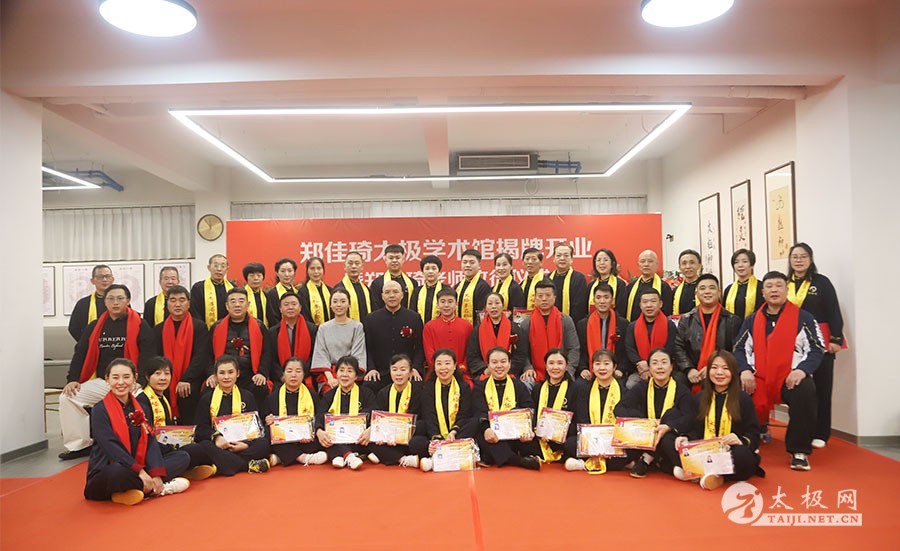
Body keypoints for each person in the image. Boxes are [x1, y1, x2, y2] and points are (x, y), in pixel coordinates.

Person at [734, 271, 825, 471]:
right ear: (763, 292)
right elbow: (739, 348)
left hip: (790, 377)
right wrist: (745, 370)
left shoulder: (804, 318)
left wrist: (802, 370)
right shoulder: (751, 320)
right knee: (738, 389)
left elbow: (817, 348)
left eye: (778, 285)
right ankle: (748, 439)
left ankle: (799, 450)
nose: (774, 290)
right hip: (758, 377)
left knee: (805, 390)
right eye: (769, 286)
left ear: (786, 289)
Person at [60, 284, 155, 460]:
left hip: (130, 382)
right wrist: (72, 379)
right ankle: (80, 445)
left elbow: (148, 354)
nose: (115, 302)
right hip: (104, 382)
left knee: (142, 400)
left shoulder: (140, 325)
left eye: (120, 298)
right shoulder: (95, 326)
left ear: (128, 300)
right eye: (111, 298)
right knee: (68, 397)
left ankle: (139, 444)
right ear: (105, 302)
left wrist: (140, 380)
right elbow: (80, 353)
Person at [83, 358, 190, 505]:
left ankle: (138, 489)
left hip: (138, 466)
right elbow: (111, 446)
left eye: (126, 377)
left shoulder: (141, 407)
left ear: (134, 379)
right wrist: (140, 471)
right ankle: (158, 488)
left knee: (182, 457)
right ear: (107, 379)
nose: (121, 382)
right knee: (117, 471)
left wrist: (156, 473)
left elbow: (150, 441)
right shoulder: (99, 410)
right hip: (110, 469)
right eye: (115, 377)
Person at [674, 350, 763, 490]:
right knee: (673, 441)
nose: (719, 373)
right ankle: (710, 474)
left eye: (725, 368)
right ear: (708, 371)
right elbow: (695, 429)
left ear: (733, 372)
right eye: (714, 368)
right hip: (706, 450)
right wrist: (686, 437)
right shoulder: (700, 398)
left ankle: (701, 473)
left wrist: (740, 440)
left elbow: (754, 433)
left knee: (742, 456)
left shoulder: (743, 399)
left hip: (730, 451)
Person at [787, 243, 844, 449]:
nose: (799, 260)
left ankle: (821, 432)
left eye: (803, 256)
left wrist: (835, 339)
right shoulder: (785, 284)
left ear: (811, 259)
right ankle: (804, 431)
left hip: (820, 342)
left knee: (822, 388)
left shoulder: (821, 283)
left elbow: (833, 311)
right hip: (793, 344)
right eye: (795, 256)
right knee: (800, 389)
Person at [182, 355, 271, 476]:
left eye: (230, 372)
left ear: (237, 374)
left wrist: (245, 445)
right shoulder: (207, 398)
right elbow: (200, 429)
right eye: (222, 373)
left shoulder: (247, 396)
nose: (226, 377)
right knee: (200, 448)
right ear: (216, 375)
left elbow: (255, 428)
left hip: (241, 444)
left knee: (264, 444)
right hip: (218, 445)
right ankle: (246, 465)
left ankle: (220, 466)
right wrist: (217, 437)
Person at [614, 348, 696, 478]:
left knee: (671, 416)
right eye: (655, 363)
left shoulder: (682, 390)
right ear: (649, 368)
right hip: (644, 436)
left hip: (667, 436)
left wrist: (668, 426)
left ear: (671, 367)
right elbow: (619, 408)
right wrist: (642, 422)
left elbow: (689, 417)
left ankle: (646, 459)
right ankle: (660, 460)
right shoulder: (641, 387)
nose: (660, 367)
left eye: (664, 362)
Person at [136, 356, 214, 481]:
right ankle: (155, 479)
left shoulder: (163, 398)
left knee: (198, 448)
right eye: (157, 374)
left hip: (165, 447)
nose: (163, 378)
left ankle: (180, 472)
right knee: (183, 457)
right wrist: (173, 447)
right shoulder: (142, 401)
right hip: (151, 452)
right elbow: (145, 437)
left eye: (167, 374)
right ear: (147, 376)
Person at [472, 347, 541, 470]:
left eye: (503, 362)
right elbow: (479, 411)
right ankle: (519, 461)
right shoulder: (480, 387)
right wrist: (486, 429)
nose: (499, 366)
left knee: (530, 440)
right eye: (494, 362)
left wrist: (525, 429)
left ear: (509, 363)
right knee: (479, 434)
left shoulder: (519, 386)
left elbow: (529, 409)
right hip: (491, 435)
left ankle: (492, 457)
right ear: (488, 365)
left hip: (514, 434)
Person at [564, 349, 630, 473]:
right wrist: (597, 443)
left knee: (630, 450)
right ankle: (610, 463)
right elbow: (582, 419)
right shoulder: (584, 389)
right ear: (592, 367)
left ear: (614, 367)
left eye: (606, 363)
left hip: (613, 439)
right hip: (591, 438)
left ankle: (584, 464)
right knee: (569, 443)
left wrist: (608, 442)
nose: (602, 368)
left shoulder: (623, 390)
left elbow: (624, 421)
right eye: (597, 364)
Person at [673, 274, 742, 391]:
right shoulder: (686, 319)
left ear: (719, 293)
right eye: (702, 288)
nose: (707, 292)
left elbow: (735, 349)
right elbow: (678, 347)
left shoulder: (732, 320)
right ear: (696, 293)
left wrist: (713, 368)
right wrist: (689, 369)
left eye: (712, 288)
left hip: (721, 370)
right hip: (692, 371)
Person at [206, 287, 273, 406]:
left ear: (248, 304)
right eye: (233, 301)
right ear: (227, 306)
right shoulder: (217, 327)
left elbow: (267, 353)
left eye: (241, 301)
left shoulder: (259, 326)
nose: (237, 305)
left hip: (250, 375)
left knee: (261, 388)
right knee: (208, 390)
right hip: (224, 375)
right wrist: (212, 374)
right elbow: (208, 354)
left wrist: (261, 373)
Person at [156, 285, 210, 424]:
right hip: (166, 379)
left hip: (191, 379)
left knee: (187, 392)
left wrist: (186, 378)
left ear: (189, 303)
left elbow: (201, 357)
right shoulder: (159, 329)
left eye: (182, 300)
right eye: (173, 300)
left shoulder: (199, 327)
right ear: (167, 303)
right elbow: (157, 359)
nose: (177, 304)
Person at [263, 357, 327, 467]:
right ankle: (302, 457)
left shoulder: (312, 395)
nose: (293, 375)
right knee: (269, 432)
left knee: (322, 434)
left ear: (303, 374)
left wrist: (311, 431)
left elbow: (319, 418)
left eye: (298, 371)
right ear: (283, 374)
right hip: (285, 439)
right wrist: (268, 420)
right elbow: (265, 419)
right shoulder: (273, 397)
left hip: (306, 440)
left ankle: (283, 457)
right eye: (289, 371)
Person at [419, 349, 477, 472]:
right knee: (416, 438)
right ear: (434, 367)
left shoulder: (463, 387)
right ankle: (453, 453)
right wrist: (436, 439)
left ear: (455, 366)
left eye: (447, 363)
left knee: (474, 422)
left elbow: (464, 414)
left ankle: (438, 458)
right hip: (436, 433)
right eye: (439, 364)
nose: (443, 368)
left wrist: (454, 432)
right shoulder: (428, 388)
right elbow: (429, 416)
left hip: (457, 434)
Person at [316, 356, 376, 470]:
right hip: (335, 440)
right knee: (321, 438)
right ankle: (349, 456)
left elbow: (374, 414)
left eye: (349, 371)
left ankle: (339, 455)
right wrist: (319, 432)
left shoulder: (366, 393)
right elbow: (319, 415)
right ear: (336, 374)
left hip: (360, 440)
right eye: (341, 370)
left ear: (356, 376)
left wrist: (370, 429)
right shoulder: (329, 395)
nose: (344, 375)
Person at [368, 354, 429, 467]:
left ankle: (387, 456)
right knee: (371, 440)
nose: (398, 373)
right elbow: (378, 419)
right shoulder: (383, 393)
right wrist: (383, 434)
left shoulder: (419, 392)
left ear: (410, 373)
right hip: (388, 439)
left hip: (409, 436)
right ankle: (403, 459)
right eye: (394, 369)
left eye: (403, 369)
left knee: (418, 442)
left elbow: (423, 422)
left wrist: (399, 433)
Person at [363, 280, 425, 390]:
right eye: (387, 292)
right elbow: (367, 348)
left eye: (395, 292)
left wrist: (415, 368)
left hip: (406, 372)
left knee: (417, 384)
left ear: (402, 295)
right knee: (369, 384)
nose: (391, 295)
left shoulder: (414, 318)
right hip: (380, 372)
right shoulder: (371, 319)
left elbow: (420, 347)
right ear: (382, 296)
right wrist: (371, 368)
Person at [518, 280, 580, 386]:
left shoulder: (565, 320)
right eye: (540, 296)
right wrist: (528, 367)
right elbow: (522, 352)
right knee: (525, 383)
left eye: (548, 295)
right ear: (535, 298)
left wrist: (569, 369)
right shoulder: (527, 323)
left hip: (562, 370)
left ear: (554, 297)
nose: (544, 299)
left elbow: (574, 348)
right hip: (535, 372)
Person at [310, 289, 367, 393]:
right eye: (335, 302)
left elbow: (358, 354)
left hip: (350, 373)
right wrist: (330, 378)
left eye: (343, 301)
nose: (339, 305)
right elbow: (321, 354)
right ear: (330, 305)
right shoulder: (323, 328)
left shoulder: (357, 326)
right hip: (329, 374)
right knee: (330, 393)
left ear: (349, 304)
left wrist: (345, 376)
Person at [465, 292, 527, 381]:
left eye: (497, 303)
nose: (493, 306)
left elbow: (520, 355)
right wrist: (486, 369)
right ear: (485, 307)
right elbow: (472, 356)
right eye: (490, 303)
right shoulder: (477, 331)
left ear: (503, 306)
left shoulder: (514, 329)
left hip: (509, 372)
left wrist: (505, 369)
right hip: (485, 373)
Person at [624, 288, 677, 389]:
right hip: (640, 369)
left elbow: (670, 348)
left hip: (663, 368)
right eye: (645, 302)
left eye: (653, 301)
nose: (649, 305)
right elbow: (630, 349)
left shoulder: (669, 325)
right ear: (640, 305)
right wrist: (642, 365)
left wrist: (652, 365)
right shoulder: (633, 326)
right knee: (631, 385)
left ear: (660, 304)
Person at [531, 349, 578, 464]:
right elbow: (533, 414)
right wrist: (536, 428)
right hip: (541, 438)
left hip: (564, 437)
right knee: (523, 441)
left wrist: (557, 432)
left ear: (566, 366)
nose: (555, 367)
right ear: (546, 366)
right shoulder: (538, 388)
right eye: (551, 363)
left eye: (560, 363)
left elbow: (578, 421)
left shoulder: (575, 389)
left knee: (572, 444)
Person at [576, 282, 628, 381]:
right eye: (598, 297)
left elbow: (626, 351)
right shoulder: (583, 324)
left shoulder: (622, 324)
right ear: (593, 300)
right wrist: (583, 369)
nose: (602, 301)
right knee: (579, 385)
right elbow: (580, 351)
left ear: (612, 300)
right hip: (590, 371)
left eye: (606, 297)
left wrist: (621, 369)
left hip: (616, 372)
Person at [267, 291, 318, 388]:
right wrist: (283, 376)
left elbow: (314, 355)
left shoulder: (312, 329)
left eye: (294, 304)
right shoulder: (273, 332)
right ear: (280, 309)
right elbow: (271, 359)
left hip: (306, 377)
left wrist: (301, 374)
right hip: (281, 379)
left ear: (300, 307)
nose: (290, 307)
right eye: (286, 305)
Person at [423, 288, 474, 382]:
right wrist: (441, 368)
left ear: (456, 304)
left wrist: (460, 368)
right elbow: (429, 353)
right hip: (437, 374)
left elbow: (470, 352)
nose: (446, 305)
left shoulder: (467, 326)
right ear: (437, 305)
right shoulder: (429, 326)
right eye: (443, 302)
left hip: (462, 374)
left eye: (450, 302)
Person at [624, 250, 674, 321]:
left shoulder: (663, 287)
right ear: (638, 265)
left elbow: (667, 311)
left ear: (657, 264)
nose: (646, 264)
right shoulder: (631, 286)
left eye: (650, 261)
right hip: (634, 325)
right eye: (642, 261)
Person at [68, 264, 113, 341]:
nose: (105, 279)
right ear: (92, 281)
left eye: (107, 276)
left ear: (112, 279)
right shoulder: (83, 304)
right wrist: (85, 342)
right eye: (100, 277)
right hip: (89, 345)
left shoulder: (121, 302)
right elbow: (73, 328)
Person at [190, 254, 234, 328]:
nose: (219, 269)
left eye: (223, 266)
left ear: (227, 269)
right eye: (215, 266)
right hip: (204, 330)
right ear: (209, 267)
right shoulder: (198, 287)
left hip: (229, 330)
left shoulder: (233, 288)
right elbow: (195, 312)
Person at [549, 242, 589, 323]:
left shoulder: (579, 278)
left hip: (573, 324)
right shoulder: (548, 279)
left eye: (566, 255)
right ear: (553, 259)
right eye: (558, 255)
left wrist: (568, 324)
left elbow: (580, 307)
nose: (562, 258)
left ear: (571, 259)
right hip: (550, 323)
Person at [370, 243, 419, 310]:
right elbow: (375, 307)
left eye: (397, 258)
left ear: (403, 259)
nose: (394, 261)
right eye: (391, 258)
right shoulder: (377, 283)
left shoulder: (412, 283)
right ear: (385, 259)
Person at [722, 249, 763, 320]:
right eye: (736, 262)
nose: (740, 265)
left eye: (745, 261)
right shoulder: (729, 289)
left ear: (752, 265)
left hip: (754, 325)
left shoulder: (761, 287)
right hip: (732, 326)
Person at [455, 248, 492, 326]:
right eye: (464, 262)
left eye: (472, 262)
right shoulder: (457, 286)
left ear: (479, 265)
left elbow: (482, 314)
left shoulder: (483, 287)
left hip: (476, 330)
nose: (467, 265)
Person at [333, 251, 371, 321]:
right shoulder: (339, 288)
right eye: (350, 263)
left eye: (357, 263)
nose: (354, 266)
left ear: (362, 266)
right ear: (344, 266)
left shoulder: (366, 288)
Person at [589, 248, 629, 315]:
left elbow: (621, 310)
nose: (602, 263)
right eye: (598, 260)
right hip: (593, 320)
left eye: (605, 260)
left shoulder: (619, 284)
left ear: (612, 263)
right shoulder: (591, 285)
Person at [410, 255, 448, 324]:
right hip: (420, 328)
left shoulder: (446, 290)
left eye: (434, 268)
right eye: (427, 269)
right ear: (422, 272)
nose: (430, 272)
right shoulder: (417, 291)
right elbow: (412, 312)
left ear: (439, 272)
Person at [296, 256, 332, 326]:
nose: (316, 272)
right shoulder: (303, 292)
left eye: (319, 268)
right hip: (312, 330)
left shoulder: (330, 290)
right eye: (312, 269)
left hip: (330, 329)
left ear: (323, 270)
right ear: (307, 271)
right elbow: (305, 316)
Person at [266, 257, 300, 327]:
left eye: (290, 271)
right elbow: (272, 318)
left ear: (294, 273)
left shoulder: (297, 292)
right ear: (277, 273)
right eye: (283, 271)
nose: (286, 274)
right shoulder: (272, 294)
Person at [520, 247, 551, 311]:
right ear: (523, 262)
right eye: (527, 259)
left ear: (541, 263)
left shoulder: (547, 283)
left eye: (534, 259)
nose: (530, 262)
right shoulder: (521, 284)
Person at [672, 249, 702, 317]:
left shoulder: (705, 289)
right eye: (684, 263)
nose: (688, 266)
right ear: (680, 268)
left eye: (692, 262)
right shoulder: (675, 291)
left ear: (699, 265)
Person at [242, 262, 269, 329]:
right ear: (246, 278)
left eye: (259, 275)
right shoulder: (242, 296)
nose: (256, 278)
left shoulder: (266, 296)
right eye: (252, 276)